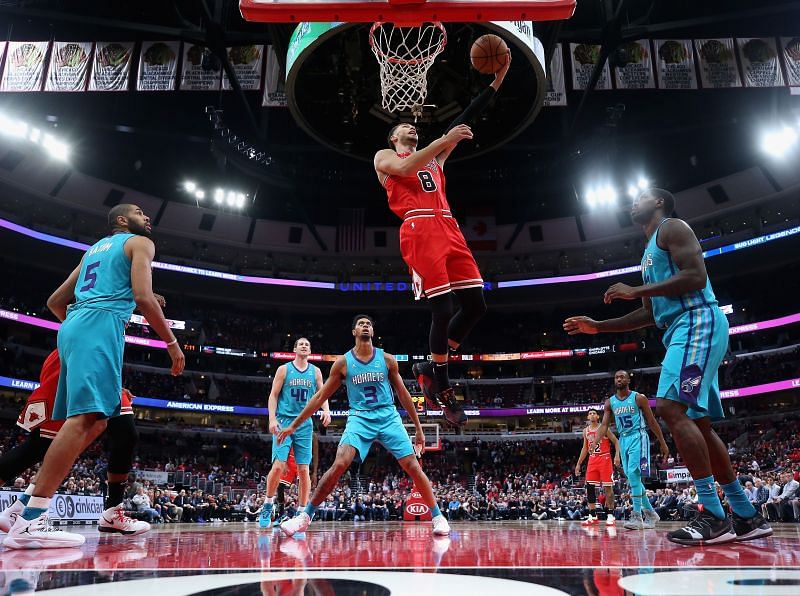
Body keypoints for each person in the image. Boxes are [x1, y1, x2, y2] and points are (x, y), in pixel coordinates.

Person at [564, 188, 772, 546]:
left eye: (641, 196)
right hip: (681, 327)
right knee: (700, 426)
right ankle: (746, 514)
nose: (633, 201)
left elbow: (694, 276)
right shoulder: (648, 253)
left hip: (696, 321)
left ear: (659, 202)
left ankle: (712, 515)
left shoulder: (672, 228)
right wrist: (598, 326)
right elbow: (648, 313)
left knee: (671, 408)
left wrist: (636, 290)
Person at [5, 204, 185, 549]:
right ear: (122, 221)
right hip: (99, 327)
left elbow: (56, 301)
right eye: (139, 212)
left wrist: (80, 326)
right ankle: (31, 519)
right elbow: (143, 296)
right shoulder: (140, 243)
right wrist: (172, 344)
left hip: (74, 327)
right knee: (84, 420)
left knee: (100, 422)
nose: (147, 217)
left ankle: (24, 507)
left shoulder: (93, 251)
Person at [373, 55, 511, 427]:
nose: (411, 130)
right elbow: (404, 168)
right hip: (419, 228)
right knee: (443, 309)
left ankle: (431, 366)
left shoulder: (436, 158)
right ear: (394, 137)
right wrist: (442, 141)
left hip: (450, 226)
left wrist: (497, 80)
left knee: (476, 305)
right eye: (405, 128)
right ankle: (443, 386)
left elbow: (468, 115)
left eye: (413, 129)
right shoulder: (386, 155)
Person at [277, 315, 450, 537]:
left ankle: (438, 516)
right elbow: (320, 396)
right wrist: (294, 425)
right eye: (361, 324)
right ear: (354, 332)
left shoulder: (387, 359)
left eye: (369, 324)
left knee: (413, 466)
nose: (366, 326)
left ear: (372, 331)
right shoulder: (343, 363)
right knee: (340, 463)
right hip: (359, 417)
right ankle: (304, 517)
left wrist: (417, 428)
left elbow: (403, 394)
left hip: (388, 415)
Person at [0, 348, 148, 536]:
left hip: (99, 359)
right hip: (82, 352)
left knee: (125, 434)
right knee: (41, 446)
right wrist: (171, 342)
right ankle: (23, 512)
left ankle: (112, 512)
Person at [261, 337, 331, 528]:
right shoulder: (284, 369)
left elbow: (322, 394)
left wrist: (326, 410)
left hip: (304, 424)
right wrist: (272, 418)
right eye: (300, 344)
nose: (304, 346)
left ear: (310, 351)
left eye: (307, 344)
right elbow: (273, 395)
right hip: (284, 421)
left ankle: (301, 512)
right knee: (278, 466)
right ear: (294, 349)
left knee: (303, 470)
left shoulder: (315, 372)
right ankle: (268, 503)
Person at [591, 370, 670, 531]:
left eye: (622, 377)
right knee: (633, 479)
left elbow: (652, 421)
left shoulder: (638, 398)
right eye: (616, 377)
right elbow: (604, 425)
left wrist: (662, 442)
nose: (619, 379)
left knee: (634, 475)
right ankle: (651, 513)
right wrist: (595, 441)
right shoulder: (610, 402)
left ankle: (636, 516)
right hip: (623, 439)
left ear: (628, 380)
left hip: (638, 436)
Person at [574, 407, 622, 526]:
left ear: (598, 416)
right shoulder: (585, 431)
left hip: (605, 458)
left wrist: (617, 456)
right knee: (590, 487)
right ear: (588, 417)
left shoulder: (603, 428)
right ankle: (593, 515)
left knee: (608, 488)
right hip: (592, 459)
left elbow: (616, 441)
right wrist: (579, 464)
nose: (592, 415)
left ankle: (610, 515)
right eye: (590, 413)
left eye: (594, 413)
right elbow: (585, 448)